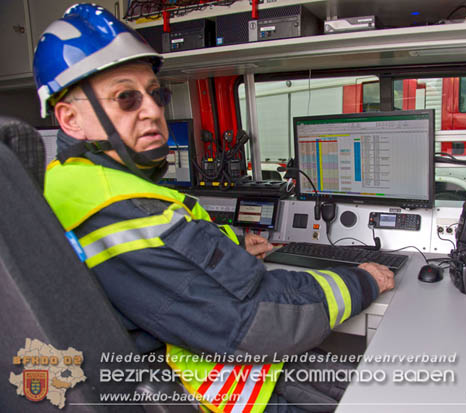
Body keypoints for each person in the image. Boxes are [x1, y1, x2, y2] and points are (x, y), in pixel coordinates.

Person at [35, 4, 394, 412]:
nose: (153, 110)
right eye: (126, 98)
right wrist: (360, 281)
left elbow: (173, 265)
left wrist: (237, 245)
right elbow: (256, 324)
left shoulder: (72, 186)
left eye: (155, 94)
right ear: (70, 119)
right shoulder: (120, 207)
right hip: (206, 391)